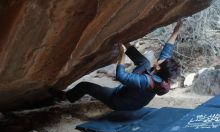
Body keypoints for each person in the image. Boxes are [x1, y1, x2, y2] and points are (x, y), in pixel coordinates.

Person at [48, 21, 182, 111]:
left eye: (160, 61)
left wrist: (122, 55)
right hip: (134, 98)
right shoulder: (163, 74)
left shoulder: (146, 81)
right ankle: (127, 43)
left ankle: (66, 97)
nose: (160, 59)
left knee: (85, 86)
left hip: (119, 101)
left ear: (158, 68)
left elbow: (121, 76)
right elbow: (167, 51)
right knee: (145, 63)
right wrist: (175, 32)